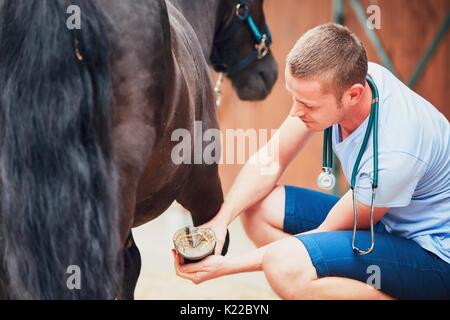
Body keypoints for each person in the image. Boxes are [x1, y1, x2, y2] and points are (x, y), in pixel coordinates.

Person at [172, 23, 450, 299]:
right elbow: (272, 158)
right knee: (259, 209)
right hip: (388, 223)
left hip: (433, 258)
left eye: (308, 105)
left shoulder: (394, 154)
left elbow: (323, 235)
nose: (295, 112)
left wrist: (224, 267)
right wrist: (220, 221)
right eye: (294, 97)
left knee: (285, 267)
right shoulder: (356, 78)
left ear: (353, 94)